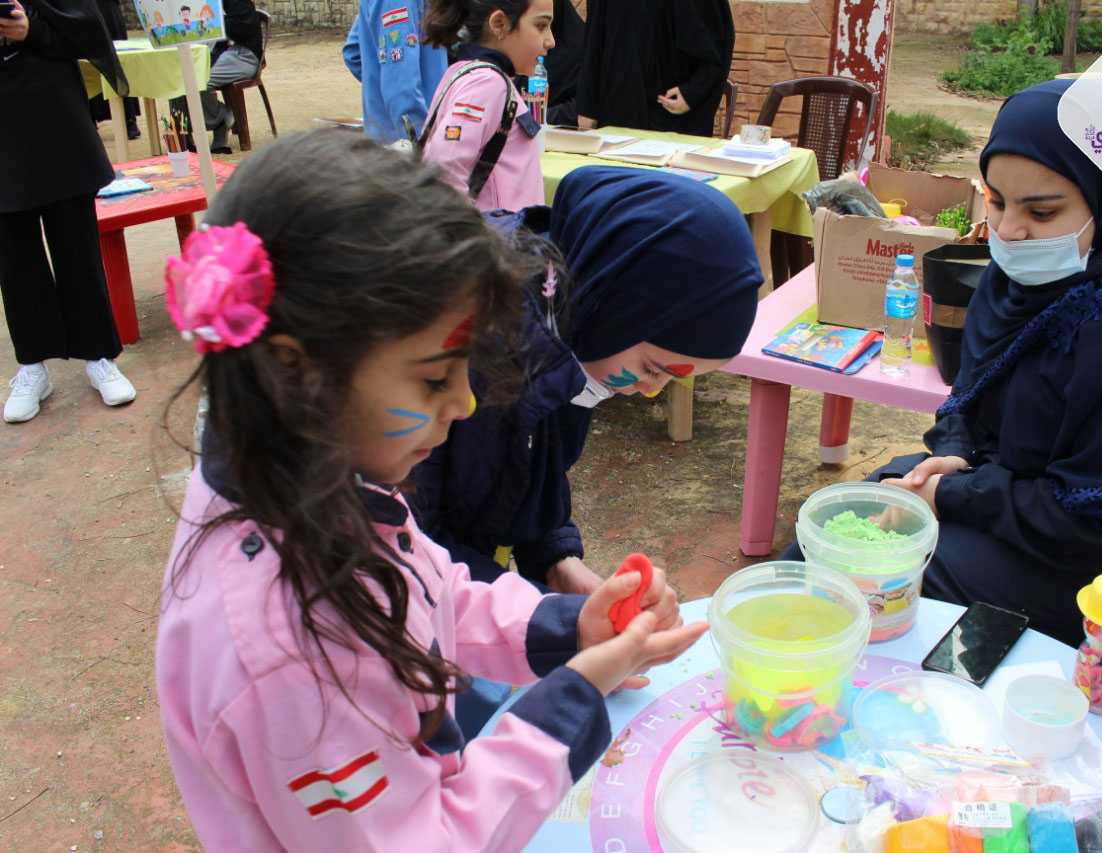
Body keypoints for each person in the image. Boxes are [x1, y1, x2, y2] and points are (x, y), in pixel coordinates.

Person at [155, 131, 705, 848]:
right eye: (433, 378)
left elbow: (430, 587)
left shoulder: (311, 476)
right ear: (297, 372)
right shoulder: (293, 656)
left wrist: (565, 628)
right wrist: (573, 697)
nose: (465, 404)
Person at [782, 80, 1102, 645]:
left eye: (1042, 211)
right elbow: (971, 399)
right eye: (997, 201)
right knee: (828, 535)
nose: (1009, 231)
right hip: (1006, 498)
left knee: (875, 582)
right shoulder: (1021, 280)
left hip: (1099, 569)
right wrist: (955, 453)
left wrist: (952, 495)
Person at [409, 166, 761, 595]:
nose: (650, 390)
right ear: (615, 309)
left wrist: (555, 559)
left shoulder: (566, 328)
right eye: (653, 368)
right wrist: (542, 616)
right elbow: (407, 551)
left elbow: (530, 462)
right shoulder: (465, 350)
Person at [0, 0, 137, 424]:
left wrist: (33, 31)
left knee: (76, 246)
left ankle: (98, 355)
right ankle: (33, 364)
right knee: (14, 257)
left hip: (56, 120)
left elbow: (90, 32)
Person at [420, 0, 553, 211]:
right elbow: (444, 172)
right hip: (495, 229)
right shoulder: (486, 83)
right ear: (499, 24)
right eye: (541, 26)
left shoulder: (469, 73)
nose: (550, 41)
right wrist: (469, 230)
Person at [576, 0, 733, 137]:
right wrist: (587, 106)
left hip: (669, 115)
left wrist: (693, 91)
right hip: (615, 109)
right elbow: (593, 38)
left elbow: (717, 40)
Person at [341, 0, 449, 147]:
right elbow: (401, 86)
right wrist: (420, 140)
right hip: (409, 145)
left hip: (387, 138)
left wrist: (379, 90)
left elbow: (353, 52)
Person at [172, 0, 261, 154]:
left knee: (199, 82)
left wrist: (213, 21)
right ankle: (183, 132)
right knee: (179, 77)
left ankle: (221, 118)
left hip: (243, 55)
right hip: (217, 52)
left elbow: (243, 28)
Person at [88, 0, 139, 139]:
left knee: (118, 61)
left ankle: (128, 119)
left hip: (107, 10)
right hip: (81, 9)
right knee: (85, 64)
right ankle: (89, 118)